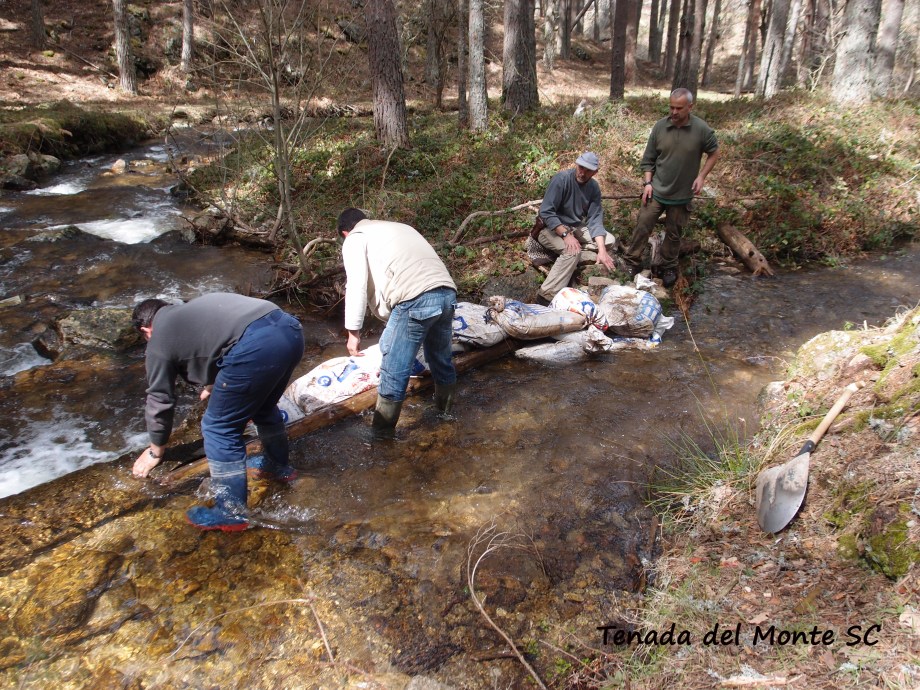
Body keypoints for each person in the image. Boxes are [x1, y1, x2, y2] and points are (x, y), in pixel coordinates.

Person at [131, 293, 304, 531]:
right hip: (290, 330)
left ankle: (230, 513)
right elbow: (218, 343)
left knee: (218, 428)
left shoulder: (158, 339)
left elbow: (160, 399)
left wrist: (155, 451)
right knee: (263, 406)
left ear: (146, 330)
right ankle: (278, 468)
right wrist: (215, 382)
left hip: (256, 345)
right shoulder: (191, 311)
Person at [337, 208, 457, 435]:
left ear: (345, 232)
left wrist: (353, 332)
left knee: (393, 370)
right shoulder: (399, 227)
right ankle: (446, 415)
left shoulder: (355, 239)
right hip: (447, 292)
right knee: (441, 360)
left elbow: (356, 286)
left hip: (415, 298)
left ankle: (381, 438)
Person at [622, 88, 720, 288]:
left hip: (682, 195)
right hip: (656, 190)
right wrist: (647, 183)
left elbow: (714, 152)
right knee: (643, 225)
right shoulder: (660, 127)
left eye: (679, 108)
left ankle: (668, 267)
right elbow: (648, 159)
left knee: (674, 233)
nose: (674, 112)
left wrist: (702, 176)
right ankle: (632, 261)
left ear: (690, 107)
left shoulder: (701, 129)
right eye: (671, 107)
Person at [534, 151, 617, 304]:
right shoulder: (562, 179)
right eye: (581, 167)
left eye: (588, 170)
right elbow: (546, 212)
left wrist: (602, 251)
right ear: (576, 164)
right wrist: (566, 235)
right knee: (572, 252)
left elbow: (595, 219)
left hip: (575, 227)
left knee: (609, 240)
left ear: (595, 172)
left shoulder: (593, 187)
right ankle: (544, 297)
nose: (583, 173)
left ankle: (577, 250)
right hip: (550, 228)